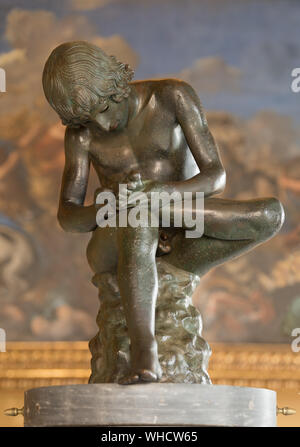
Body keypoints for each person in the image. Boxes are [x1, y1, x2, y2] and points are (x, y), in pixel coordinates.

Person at [42, 41, 284, 384]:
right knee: (139, 217)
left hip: (178, 224)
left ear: (113, 83)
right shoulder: (80, 136)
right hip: (114, 239)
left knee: (270, 215)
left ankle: (151, 218)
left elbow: (215, 176)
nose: (100, 123)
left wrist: (161, 195)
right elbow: (67, 215)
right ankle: (145, 355)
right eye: (86, 118)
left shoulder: (172, 97)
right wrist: (108, 206)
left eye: (102, 108)